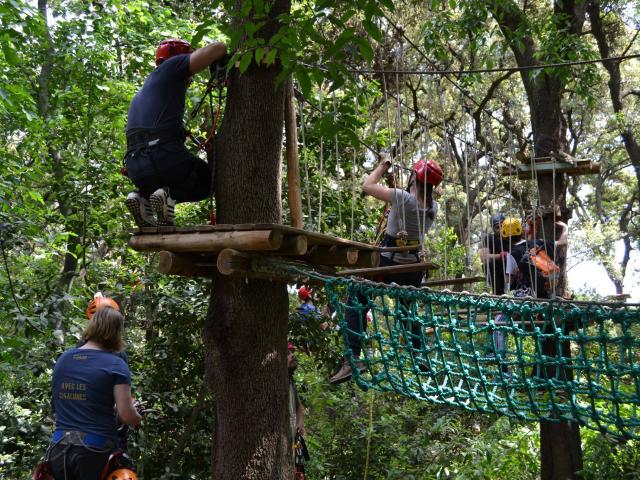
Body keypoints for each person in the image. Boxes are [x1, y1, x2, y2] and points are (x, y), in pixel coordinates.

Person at [330, 155, 443, 385]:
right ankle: (419, 355)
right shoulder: (433, 208)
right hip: (412, 268)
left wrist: (383, 165)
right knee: (407, 311)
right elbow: (405, 205)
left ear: (414, 179)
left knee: (358, 298)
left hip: (388, 263)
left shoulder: (403, 198)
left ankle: (351, 357)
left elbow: (367, 186)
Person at [124, 38, 228, 227]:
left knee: (159, 181)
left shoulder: (147, 89)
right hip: (162, 156)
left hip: (135, 166)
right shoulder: (171, 67)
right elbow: (219, 48)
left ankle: (141, 197)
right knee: (207, 181)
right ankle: (168, 196)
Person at [46, 307, 142, 480]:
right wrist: (137, 418)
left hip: (59, 447)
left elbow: (60, 403)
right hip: (95, 450)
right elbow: (126, 415)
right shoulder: (116, 364)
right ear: (116, 332)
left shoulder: (64, 359)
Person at [510, 215, 568, 299]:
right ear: (521, 231)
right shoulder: (540, 243)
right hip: (545, 294)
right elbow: (563, 242)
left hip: (524, 296)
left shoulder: (512, 253)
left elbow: (509, 280)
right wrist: (565, 228)